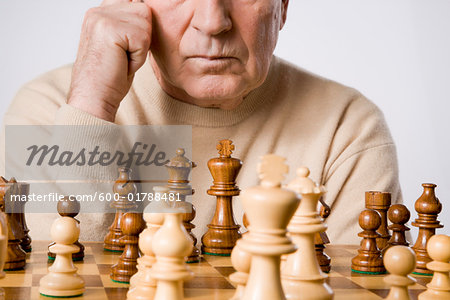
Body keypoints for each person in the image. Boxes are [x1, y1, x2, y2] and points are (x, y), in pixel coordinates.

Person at [0, 0, 401, 243]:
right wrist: (91, 106)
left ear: (283, 6)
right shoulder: (50, 107)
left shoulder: (348, 129)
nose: (212, 21)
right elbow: (54, 277)